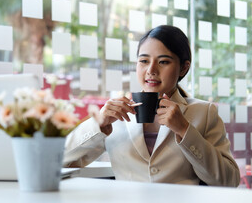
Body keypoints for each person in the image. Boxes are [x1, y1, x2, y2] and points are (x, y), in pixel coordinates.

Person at [63, 25, 240, 187]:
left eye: (163, 61)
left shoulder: (204, 112)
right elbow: (58, 161)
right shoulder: (115, 113)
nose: (151, 70)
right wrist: (98, 125)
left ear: (184, 68)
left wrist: (185, 130)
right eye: (144, 61)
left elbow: (228, 181)